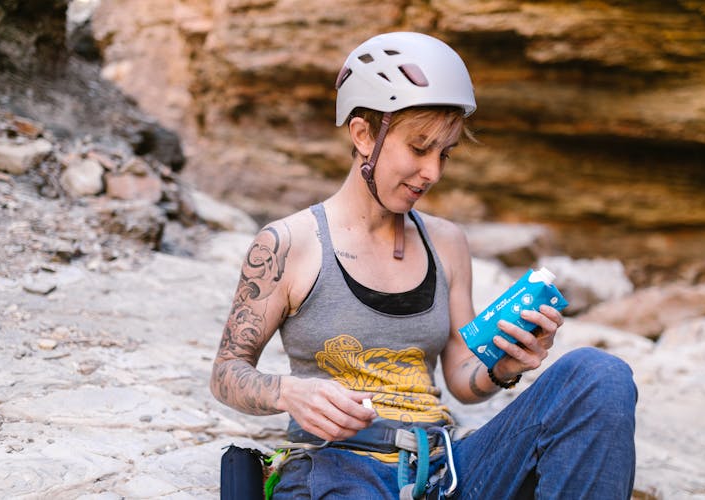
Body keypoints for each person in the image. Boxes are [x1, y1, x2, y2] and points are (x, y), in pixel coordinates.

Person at [211, 31, 637, 499]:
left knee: (600, 376)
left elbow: (461, 378)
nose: (433, 172)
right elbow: (228, 371)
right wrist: (287, 392)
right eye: (419, 148)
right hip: (339, 466)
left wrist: (504, 367)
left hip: (446, 465)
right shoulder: (288, 243)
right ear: (363, 133)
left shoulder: (447, 242)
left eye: (445, 153)